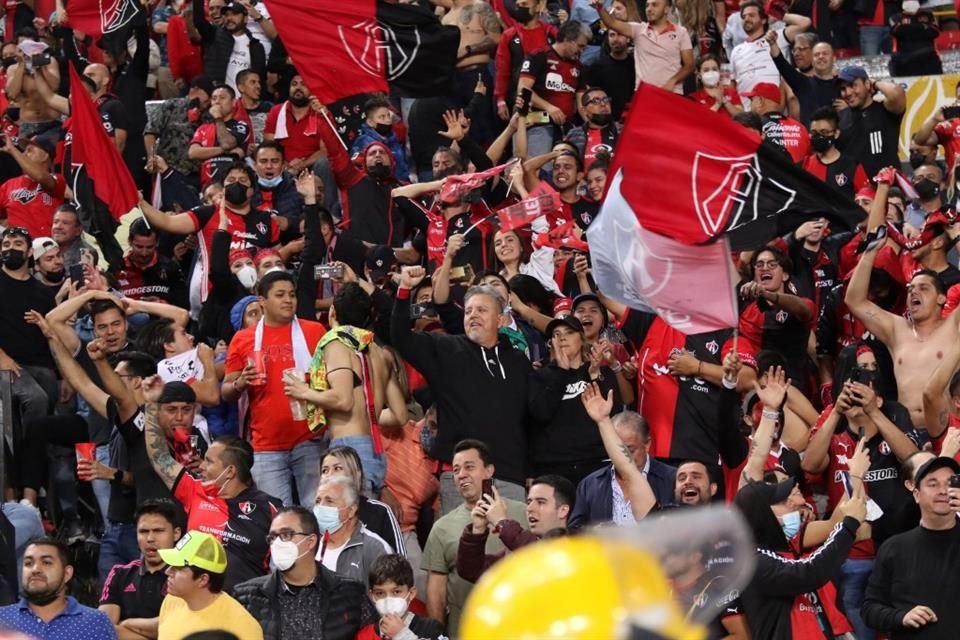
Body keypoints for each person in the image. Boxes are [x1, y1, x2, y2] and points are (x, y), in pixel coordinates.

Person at [392, 268, 531, 513]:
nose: (473, 316)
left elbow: (528, 420)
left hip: (510, 477)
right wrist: (404, 290)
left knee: (515, 549)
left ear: (499, 319)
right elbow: (400, 337)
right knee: (460, 550)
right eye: (468, 311)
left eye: (481, 310)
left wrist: (529, 471)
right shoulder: (445, 348)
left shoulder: (518, 361)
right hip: (461, 478)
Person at [142, 377, 282, 591]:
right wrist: (151, 404)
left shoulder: (271, 509)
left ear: (230, 471)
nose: (202, 467)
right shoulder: (194, 491)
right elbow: (160, 457)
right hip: (194, 600)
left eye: (209, 461)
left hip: (246, 603)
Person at [846, 172, 959, 431]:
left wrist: (956, 234)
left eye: (924, 288)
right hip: (905, 432)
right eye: (911, 289)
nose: (913, 293)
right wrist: (870, 252)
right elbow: (855, 301)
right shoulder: (897, 330)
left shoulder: (953, 327)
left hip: (947, 429)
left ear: (942, 298)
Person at [283, 283, 408, 493]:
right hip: (375, 449)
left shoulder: (337, 343)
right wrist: (368, 414)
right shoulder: (380, 352)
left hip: (349, 449)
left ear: (332, 312)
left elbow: (343, 400)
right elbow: (401, 415)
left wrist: (304, 391)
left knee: (349, 521)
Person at [222, 270, 327, 507]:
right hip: (266, 446)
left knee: (319, 513)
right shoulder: (243, 339)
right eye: (280, 295)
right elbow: (226, 391)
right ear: (262, 300)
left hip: (310, 438)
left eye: (292, 294)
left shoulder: (315, 331)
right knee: (279, 521)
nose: (288, 300)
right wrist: (241, 383)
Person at [736, 477, 868, 638]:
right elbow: (808, 572)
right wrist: (849, 524)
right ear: (763, 514)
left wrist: (855, 477)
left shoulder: (787, 547)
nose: (793, 508)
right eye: (784, 503)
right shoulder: (752, 560)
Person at [421, 439, 527, 632]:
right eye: (456, 470)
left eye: (469, 467)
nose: (461, 475)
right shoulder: (441, 527)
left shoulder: (524, 514)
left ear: (489, 471)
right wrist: (436, 635)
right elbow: (436, 591)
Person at [233, 506, 368, 640]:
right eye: (272, 538)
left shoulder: (351, 592)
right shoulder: (247, 597)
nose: (277, 543)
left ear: (311, 541)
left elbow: (373, 634)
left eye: (286, 535)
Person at [863, 456, 960, 639]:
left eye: (950, 483)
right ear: (916, 495)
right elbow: (870, 609)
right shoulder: (894, 548)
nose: (943, 491)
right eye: (932, 484)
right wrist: (901, 617)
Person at [456, 474, 575, 583]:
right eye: (529, 501)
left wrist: (502, 523)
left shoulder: (576, 546)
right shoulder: (517, 548)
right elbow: (471, 571)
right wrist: (477, 530)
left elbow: (543, 555)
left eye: (541, 502)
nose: (530, 508)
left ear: (562, 511)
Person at [567, 411, 676, 527]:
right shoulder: (589, 485)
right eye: (616, 450)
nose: (623, 456)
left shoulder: (672, 479)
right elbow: (574, 531)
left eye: (630, 450)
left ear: (647, 445)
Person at [0, 537, 117, 639]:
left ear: (67, 573)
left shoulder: (96, 622)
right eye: (28, 563)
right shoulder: (2, 619)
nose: (35, 569)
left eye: (46, 562)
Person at [156, 530, 263, 640]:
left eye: (178, 568)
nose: (167, 572)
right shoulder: (172, 600)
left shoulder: (243, 627)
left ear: (203, 579)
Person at [99, 499, 182, 638]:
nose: (150, 538)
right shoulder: (119, 573)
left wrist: (126, 624)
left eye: (158, 531)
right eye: (143, 531)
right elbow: (103, 628)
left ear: (176, 534)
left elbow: (178, 626)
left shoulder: (187, 575)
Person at [515, 21, 591, 157]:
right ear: (567, 39)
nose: (582, 51)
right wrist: (549, 107)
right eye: (580, 46)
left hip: (566, 127)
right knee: (538, 168)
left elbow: (581, 102)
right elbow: (523, 89)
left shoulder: (579, 67)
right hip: (538, 121)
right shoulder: (539, 57)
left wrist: (590, 124)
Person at [318, 447, 406, 556]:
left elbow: (399, 564)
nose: (329, 475)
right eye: (325, 470)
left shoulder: (379, 512)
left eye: (337, 468)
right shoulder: (317, 517)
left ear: (357, 474)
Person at [592, 0, 694, 94]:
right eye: (647, 5)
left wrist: (673, 80)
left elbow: (689, 65)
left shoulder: (681, 32)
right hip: (644, 93)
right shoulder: (638, 29)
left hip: (672, 92)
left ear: (666, 8)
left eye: (655, 5)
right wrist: (600, 8)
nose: (649, 9)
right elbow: (612, 23)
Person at [312, 475, 392, 585]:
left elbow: (386, 595)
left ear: (351, 510)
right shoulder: (309, 544)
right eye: (317, 501)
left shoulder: (374, 548)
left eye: (329, 501)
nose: (320, 507)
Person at [837, 65, 906, 177]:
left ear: (867, 84)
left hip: (889, 188)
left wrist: (875, 83)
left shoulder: (885, 110)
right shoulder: (839, 118)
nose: (848, 92)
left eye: (853, 85)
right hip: (855, 191)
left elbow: (896, 93)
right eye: (843, 89)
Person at [356, 554, 445, 640]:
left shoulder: (430, 628)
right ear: (372, 596)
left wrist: (401, 635)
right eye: (380, 593)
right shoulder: (364, 635)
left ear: (411, 593)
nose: (388, 600)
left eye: (396, 592)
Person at [0, 134, 65, 239]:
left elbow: (40, 176)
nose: (24, 154)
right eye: (24, 151)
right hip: (19, 250)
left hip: (47, 248)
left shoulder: (57, 179)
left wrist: (12, 149)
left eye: (29, 150)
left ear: (45, 156)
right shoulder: (8, 185)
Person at [263, 73, 326, 174]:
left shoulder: (321, 113)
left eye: (303, 84)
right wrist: (286, 165)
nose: (298, 87)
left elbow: (325, 151)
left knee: (324, 163)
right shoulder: (276, 111)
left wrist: (302, 165)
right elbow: (270, 146)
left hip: (312, 167)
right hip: (283, 166)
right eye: (294, 84)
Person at [802, 106, 869, 200]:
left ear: (836, 133)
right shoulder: (804, 165)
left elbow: (866, 200)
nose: (818, 137)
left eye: (824, 132)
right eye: (814, 133)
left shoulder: (852, 166)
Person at [742, 81, 810, 162]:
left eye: (752, 100)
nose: (750, 106)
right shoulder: (801, 128)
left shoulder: (754, 127)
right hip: (798, 173)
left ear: (759, 101)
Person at [350, 95, 410, 182]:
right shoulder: (363, 143)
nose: (388, 120)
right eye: (382, 117)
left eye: (388, 116)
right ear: (370, 122)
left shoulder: (394, 140)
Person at [582, 28, 636, 121]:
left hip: (632, 120)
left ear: (628, 38)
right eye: (612, 35)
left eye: (620, 34)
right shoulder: (597, 67)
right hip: (606, 123)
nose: (615, 39)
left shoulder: (637, 66)